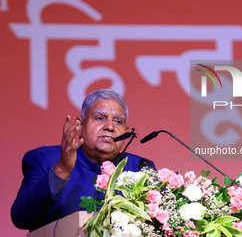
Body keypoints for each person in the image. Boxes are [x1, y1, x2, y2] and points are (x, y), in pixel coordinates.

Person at [11, 89, 156, 231]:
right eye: (100, 118)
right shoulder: (45, 159)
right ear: (80, 126)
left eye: (118, 121)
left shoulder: (140, 168)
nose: (110, 127)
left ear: (126, 130)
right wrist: (61, 170)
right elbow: (21, 218)